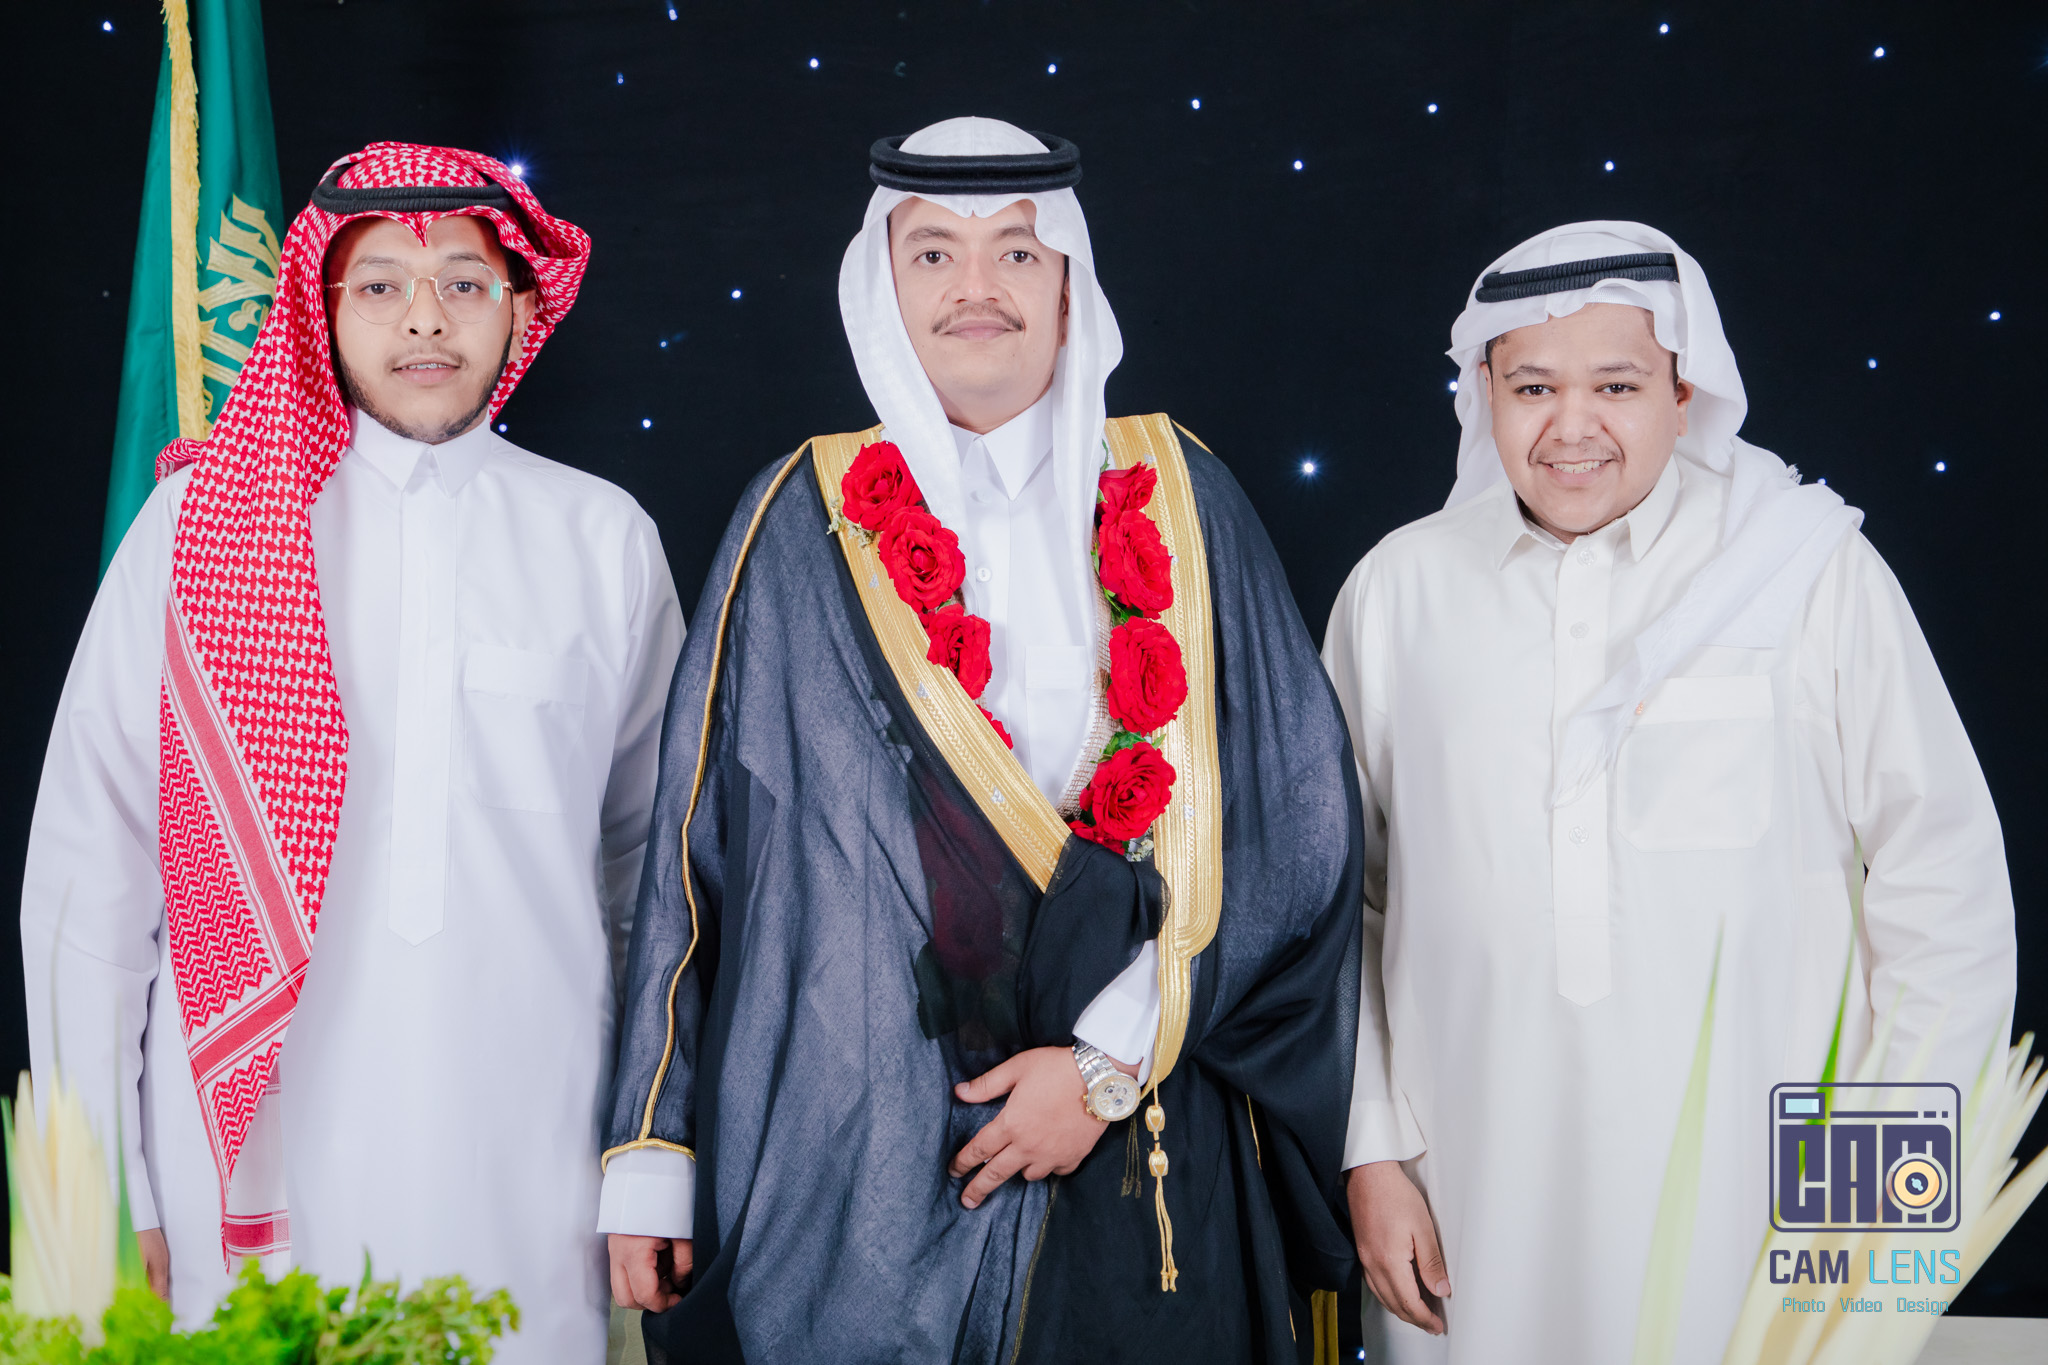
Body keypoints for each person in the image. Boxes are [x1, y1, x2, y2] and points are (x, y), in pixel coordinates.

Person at [600, 116, 1361, 1363]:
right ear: (881, 287)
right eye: (932, 255)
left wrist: (1105, 1063)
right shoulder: (793, 520)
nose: (975, 289)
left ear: (1067, 285)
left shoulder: (1183, 493)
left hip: (1139, 1130)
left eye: (1016, 252)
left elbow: (1295, 818)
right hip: (859, 1164)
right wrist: (651, 1148)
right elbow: (696, 865)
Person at [20, 143, 683, 1363]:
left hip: (532, 1173)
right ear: (318, 310)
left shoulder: (603, 540)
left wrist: (650, 1164)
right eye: (378, 285)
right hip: (241, 1172)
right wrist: (105, 1189)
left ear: (520, 306)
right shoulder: (199, 531)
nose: (424, 319)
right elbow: (88, 879)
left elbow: (661, 889)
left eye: (464, 284)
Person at [1323, 222, 2016, 1364]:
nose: (1572, 427)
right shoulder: (1399, 591)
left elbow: (1942, 885)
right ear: (1484, 392)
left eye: (1617, 385)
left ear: (1683, 394)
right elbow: (1341, 906)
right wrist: (1370, 1154)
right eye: (1533, 386)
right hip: (1469, 1201)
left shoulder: (1805, 569)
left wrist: (1880, 1213)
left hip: (1775, 1216)